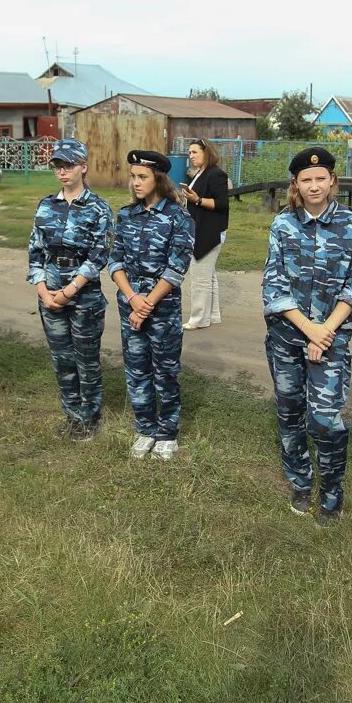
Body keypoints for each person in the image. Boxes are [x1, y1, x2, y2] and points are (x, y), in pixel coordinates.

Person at [261, 146, 352, 524]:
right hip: (287, 339)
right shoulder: (283, 224)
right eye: (306, 180)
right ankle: (301, 481)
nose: (314, 185)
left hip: (331, 341)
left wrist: (324, 333)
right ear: (296, 184)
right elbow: (274, 285)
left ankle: (332, 491)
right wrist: (309, 330)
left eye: (321, 178)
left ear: (333, 181)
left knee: (325, 418)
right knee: (290, 412)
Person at [107, 149, 194, 461]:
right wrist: (133, 298)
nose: (135, 183)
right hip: (130, 305)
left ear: (158, 179)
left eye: (142, 177)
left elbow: (176, 268)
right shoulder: (126, 215)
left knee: (165, 371)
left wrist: (148, 304)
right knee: (136, 369)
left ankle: (167, 432)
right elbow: (114, 260)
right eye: (132, 177)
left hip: (163, 308)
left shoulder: (178, 218)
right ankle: (145, 428)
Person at [27, 140, 114, 441]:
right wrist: (43, 291)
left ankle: (90, 417)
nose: (62, 171)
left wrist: (68, 292)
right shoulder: (46, 205)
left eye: (68, 165)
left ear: (83, 167)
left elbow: (99, 256)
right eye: (57, 166)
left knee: (86, 360)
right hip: (49, 294)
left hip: (83, 297)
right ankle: (72, 415)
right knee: (62, 359)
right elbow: (35, 252)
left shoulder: (98, 208)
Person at [181, 138, 230, 330]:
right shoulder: (201, 173)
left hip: (209, 232)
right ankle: (212, 314)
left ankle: (198, 318)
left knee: (200, 276)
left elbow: (222, 203)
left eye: (194, 152)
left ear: (206, 152)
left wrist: (197, 199)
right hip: (201, 229)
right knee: (208, 276)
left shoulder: (216, 174)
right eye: (190, 153)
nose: (191, 156)